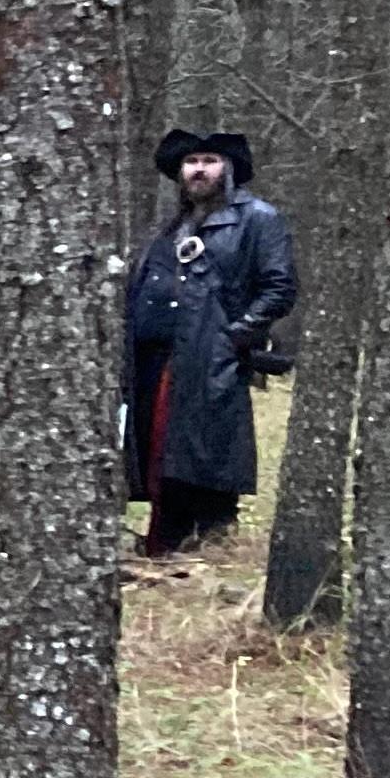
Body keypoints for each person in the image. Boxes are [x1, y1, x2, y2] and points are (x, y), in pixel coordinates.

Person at [126, 128, 298, 558]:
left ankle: (206, 546)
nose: (199, 170)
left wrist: (233, 336)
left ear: (229, 169)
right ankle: (164, 542)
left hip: (209, 358)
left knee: (200, 454)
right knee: (157, 450)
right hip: (155, 357)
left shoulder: (258, 218)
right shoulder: (172, 225)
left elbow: (279, 287)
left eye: (209, 161)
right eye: (191, 162)